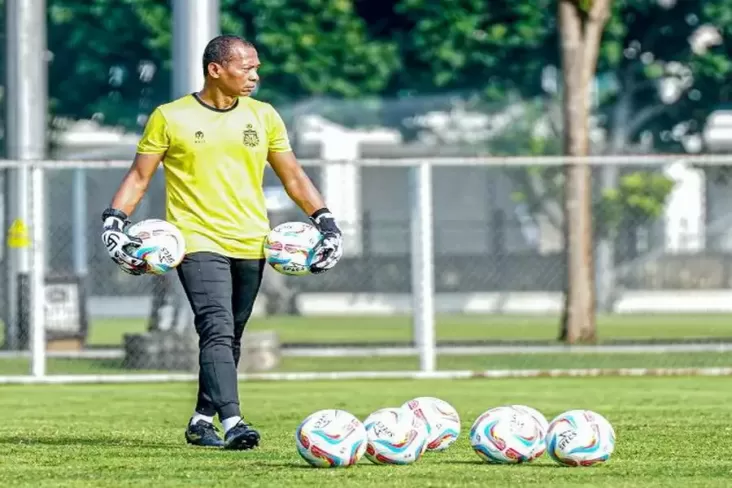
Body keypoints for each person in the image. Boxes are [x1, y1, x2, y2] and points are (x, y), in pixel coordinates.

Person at [100, 35, 343, 450]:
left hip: (252, 240)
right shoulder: (170, 117)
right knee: (215, 326)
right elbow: (140, 177)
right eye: (246, 68)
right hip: (195, 240)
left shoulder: (264, 116)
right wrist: (114, 221)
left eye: (256, 67)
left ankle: (200, 419)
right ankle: (233, 422)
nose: (255, 75)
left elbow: (294, 176)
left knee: (230, 336)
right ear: (216, 69)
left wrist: (325, 221)